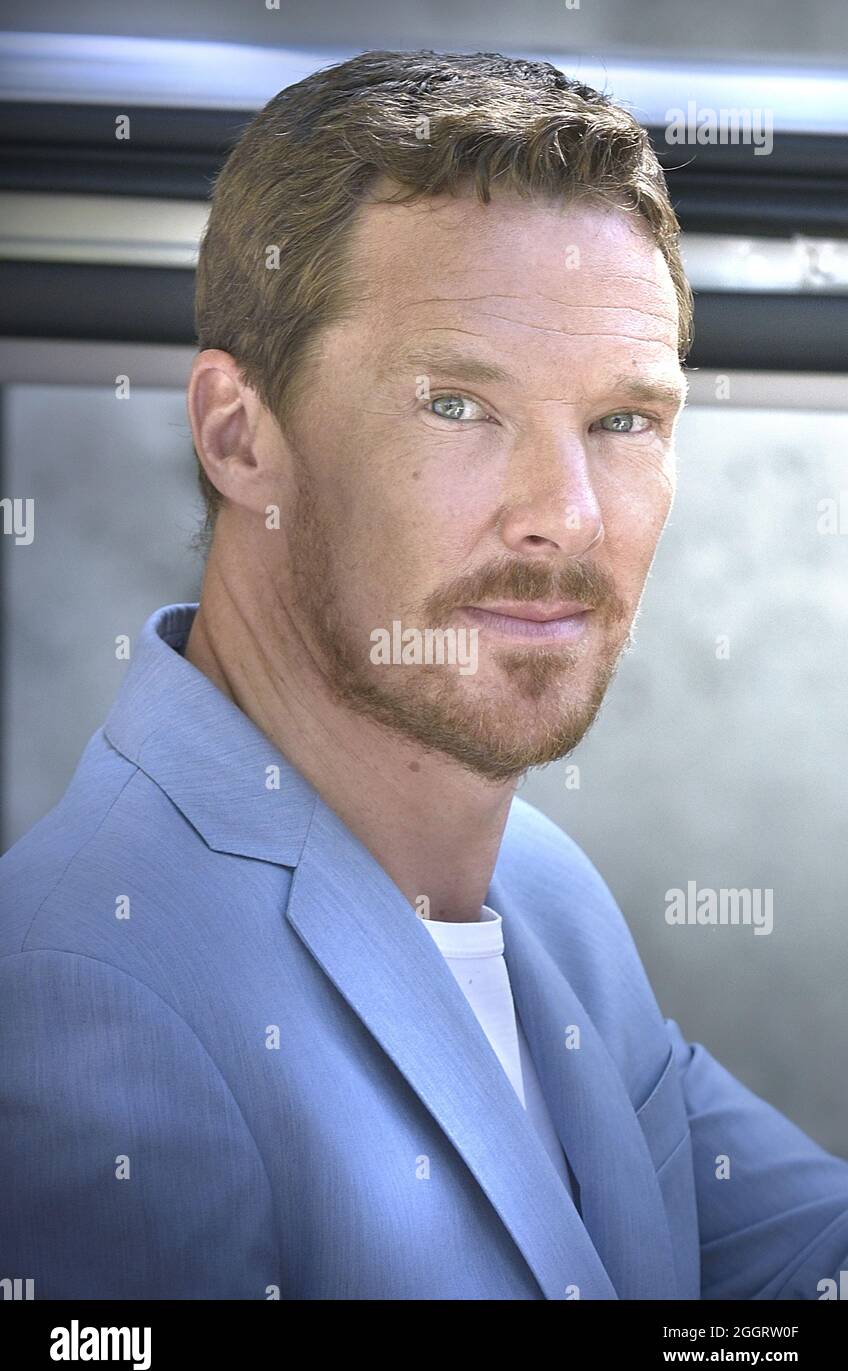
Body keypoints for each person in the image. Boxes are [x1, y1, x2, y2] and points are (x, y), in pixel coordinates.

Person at [1, 50, 846, 1301]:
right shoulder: (78, 1001)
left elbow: (788, 1266)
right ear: (240, 436)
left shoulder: (539, 891)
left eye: (623, 420)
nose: (564, 517)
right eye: (456, 406)